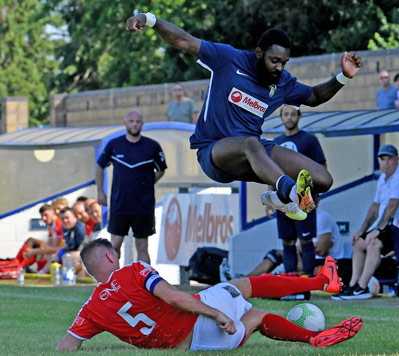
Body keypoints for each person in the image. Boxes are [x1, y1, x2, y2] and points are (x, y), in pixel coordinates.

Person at [126, 13, 362, 221]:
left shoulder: (283, 83)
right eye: (274, 61)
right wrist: (149, 19)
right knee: (250, 143)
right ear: (259, 53)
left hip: (253, 153)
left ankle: (278, 197)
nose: (279, 68)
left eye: (284, 62)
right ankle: (289, 192)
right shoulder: (228, 59)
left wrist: (343, 76)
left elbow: (314, 96)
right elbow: (183, 40)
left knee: (322, 180)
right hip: (214, 153)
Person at [56, 239, 362, 351]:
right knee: (245, 285)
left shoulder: (91, 308)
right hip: (203, 320)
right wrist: (217, 314)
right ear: (111, 258)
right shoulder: (133, 270)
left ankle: (312, 338)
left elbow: (66, 346)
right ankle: (323, 281)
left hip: (196, 346)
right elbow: (174, 298)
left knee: (254, 316)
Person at [339, 145, 399, 299]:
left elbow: (392, 207)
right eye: (383, 159)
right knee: (359, 243)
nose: (386, 163)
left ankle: (362, 287)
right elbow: (375, 207)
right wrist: (362, 229)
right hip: (392, 225)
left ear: (397, 159)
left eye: (390, 159)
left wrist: (378, 230)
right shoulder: (382, 179)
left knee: (374, 243)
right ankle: (352, 285)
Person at [96, 110, 167, 264]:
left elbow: (161, 170)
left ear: (142, 124)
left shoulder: (152, 146)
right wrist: (100, 192)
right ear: (125, 123)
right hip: (119, 204)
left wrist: (146, 182)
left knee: (142, 246)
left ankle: (145, 283)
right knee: (114, 244)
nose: (134, 124)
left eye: (138, 121)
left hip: (143, 205)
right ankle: (114, 282)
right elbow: (100, 166)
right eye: (131, 121)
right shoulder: (114, 145)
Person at [268, 105, 327, 276]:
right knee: (287, 241)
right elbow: (270, 171)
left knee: (306, 239)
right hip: (283, 198)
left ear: (299, 117)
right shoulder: (276, 142)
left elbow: (321, 167)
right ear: (281, 117)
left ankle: (307, 281)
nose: (289, 118)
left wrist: (316, 194)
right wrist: (270, 196)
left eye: (293, 114)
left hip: (304, 198)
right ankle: (290, 281)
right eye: (286, 114)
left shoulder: (309, 140)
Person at [244, 208, 351, 283]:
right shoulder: (293, 215)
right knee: (276, 253)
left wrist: (303, 246)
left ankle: (296, 281)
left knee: (308, 265)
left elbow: (323, 251)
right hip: (307, 257)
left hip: (325, 261)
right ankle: (246, 279)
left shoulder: (322, 216)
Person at [16, 204, 64, 273]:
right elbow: (49, 245)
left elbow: (52, 248)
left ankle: (20, 267)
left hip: (64, 251)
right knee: (40, 252)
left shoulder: (58, 223)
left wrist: (33, 251)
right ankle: (22, 267)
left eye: (46, 215)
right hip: (59, 249)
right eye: (42, 216)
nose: (43, 218)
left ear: (53, 212)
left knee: (46, 253)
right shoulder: (51, 226)